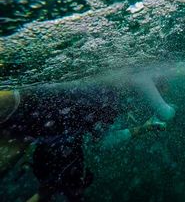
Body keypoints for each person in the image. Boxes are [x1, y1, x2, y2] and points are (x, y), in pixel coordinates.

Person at [0, 73, 175, 201]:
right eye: (163, 87)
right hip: (29, 103)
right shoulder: (134, 76)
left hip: (31, 130)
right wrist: (167, 110)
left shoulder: (113, 106)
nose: (164, 90)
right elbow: (164, 110)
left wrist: (144, 128)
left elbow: (103, 141)